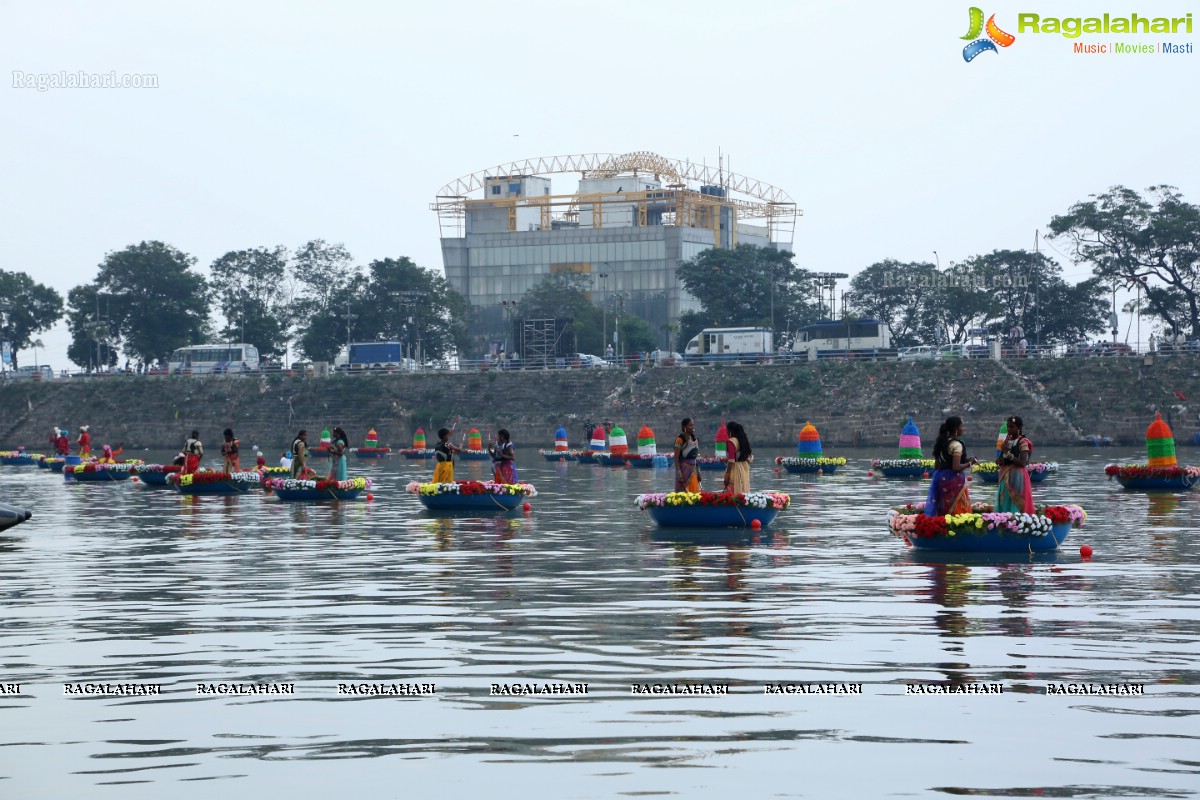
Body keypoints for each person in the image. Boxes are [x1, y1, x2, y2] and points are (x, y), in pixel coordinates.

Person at [923, 416, 978, 516]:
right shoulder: (956, 445)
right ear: (956, 429)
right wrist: (970, 463)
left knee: (943, 506)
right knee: (956, 509)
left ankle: (941, 525)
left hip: (940, 477)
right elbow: (956, 467)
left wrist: (969, 460)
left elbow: (945, 462)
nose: (963, 429)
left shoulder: (943, 442)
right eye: (961, 426)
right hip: (953, 479)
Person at [996, 415, 1035, 514]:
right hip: (1005, 475)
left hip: (1018, 476)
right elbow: (1003, 459)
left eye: (1012, 427)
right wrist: (1000, 461)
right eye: (1008, 427)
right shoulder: (1007, 442)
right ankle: (1003, 522)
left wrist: (1007, 453)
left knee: (1016, 501)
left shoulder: (1023, 442)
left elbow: (1023, 462)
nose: (1009, 429)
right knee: (1004, 499)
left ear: (1019, 428)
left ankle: (1016, 521)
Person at [722, 420, 752, 494]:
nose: (726, 432)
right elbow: (744, 457)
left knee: (732, 492)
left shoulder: (731, 441)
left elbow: (731, 460)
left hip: (735, 470)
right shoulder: (743, 440)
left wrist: (727, 473)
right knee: (742, 491)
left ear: (730, 431)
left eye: (727, 430)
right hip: (744, 468)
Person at [673, 417, 702, 493]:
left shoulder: (694, 439)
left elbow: (695, 458)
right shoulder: (680, 439)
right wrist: (679, 473)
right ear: (684, 427)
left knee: (695, 493)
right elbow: (676, 459)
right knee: (683, 494)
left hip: (693, 471)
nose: (693, 427)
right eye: (690, 425)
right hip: (683, 471)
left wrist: (698, 472)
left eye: (693, 425)